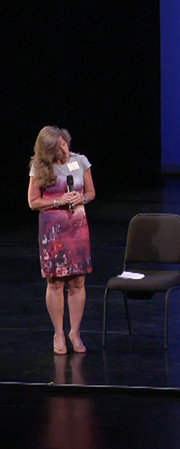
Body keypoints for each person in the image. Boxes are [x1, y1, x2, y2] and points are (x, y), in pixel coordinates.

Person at [27, 126, 96, 355]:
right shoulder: (40, 166)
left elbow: (91, 192)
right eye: (59, 147)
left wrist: (81, 197)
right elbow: (33, 201)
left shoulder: (80, 161)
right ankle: (58, 333)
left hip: (77, 226)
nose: (65, 150)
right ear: (48, 150)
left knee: (77, 281)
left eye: (65, 144)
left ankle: (74, 332)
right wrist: (58, 201)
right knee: (55, 282)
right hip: (52, 230)